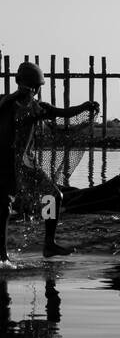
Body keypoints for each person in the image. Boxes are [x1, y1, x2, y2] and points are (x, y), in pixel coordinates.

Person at [0, 62, 97, 262]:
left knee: (54, 196)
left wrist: (85, 107)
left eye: (37, 87)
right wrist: (14, 97)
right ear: (19, 82)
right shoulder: (5, 102)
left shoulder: (38, 108)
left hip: (28, 164)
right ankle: (2, 254)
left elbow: (64, 113)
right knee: (3, 207)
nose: (33, 90)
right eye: (30, 85)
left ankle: (48, 243)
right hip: (5, 163)